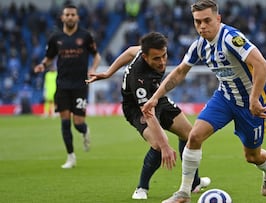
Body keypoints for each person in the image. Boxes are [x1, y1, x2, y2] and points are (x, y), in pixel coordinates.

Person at [141, 1, 266, 202]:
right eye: (197, 22)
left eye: (207, 20)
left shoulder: (232, 38)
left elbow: (262, 65)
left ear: (218, 19)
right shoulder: (199, 45)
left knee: (252, 156)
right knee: (194, 136)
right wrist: (154, 98)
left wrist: (253, 98)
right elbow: (179, 72)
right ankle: (184, 193)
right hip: (224, 98)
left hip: (250, 104)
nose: (202, 26)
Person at [86, 32, 210, 200]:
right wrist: (165, 146)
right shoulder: (140, 78)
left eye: (164, 55)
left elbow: (130, 51)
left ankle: (194, 182)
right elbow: (148, 113)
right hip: (137, 108)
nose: (162, 62)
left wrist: (108, 73)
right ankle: (141, 188)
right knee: (158, 145)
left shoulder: (143, 51)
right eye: (156, 59)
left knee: (189, 134)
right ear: (145, 57)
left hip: (157, 97)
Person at [33, 4, 101, 169]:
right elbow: (49, 57)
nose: (70, 17)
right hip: (62, 84)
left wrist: (93, 69)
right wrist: (42, 65)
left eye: (73, 15)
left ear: (77, 17)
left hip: (80, 85)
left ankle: (85, 131)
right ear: (62, 17)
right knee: (64, 122)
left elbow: (96, 55)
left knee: (78, 123)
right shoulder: (55, 38)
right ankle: (71, 157)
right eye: (67, 15)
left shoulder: (85, 36)